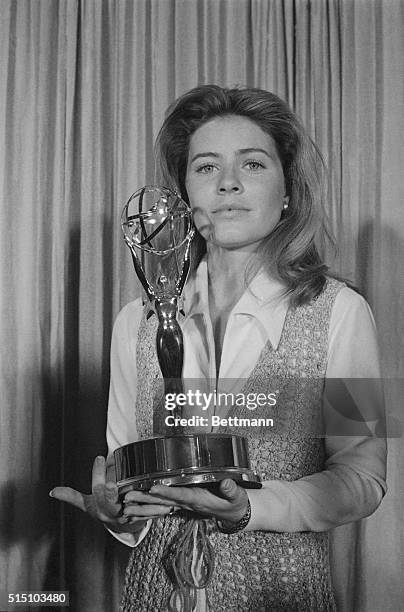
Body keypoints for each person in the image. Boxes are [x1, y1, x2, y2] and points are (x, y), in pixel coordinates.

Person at [50, 85, 387, 611]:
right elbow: (128, 470)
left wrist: (252, 508)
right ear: (184, 194)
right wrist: (120, 513)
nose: (228, 183)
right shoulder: (135, 323)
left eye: (252, 164)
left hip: (280, 593)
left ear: (287, 191)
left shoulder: (341, 312)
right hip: (153, 594)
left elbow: (363, 479)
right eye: (206, 167)